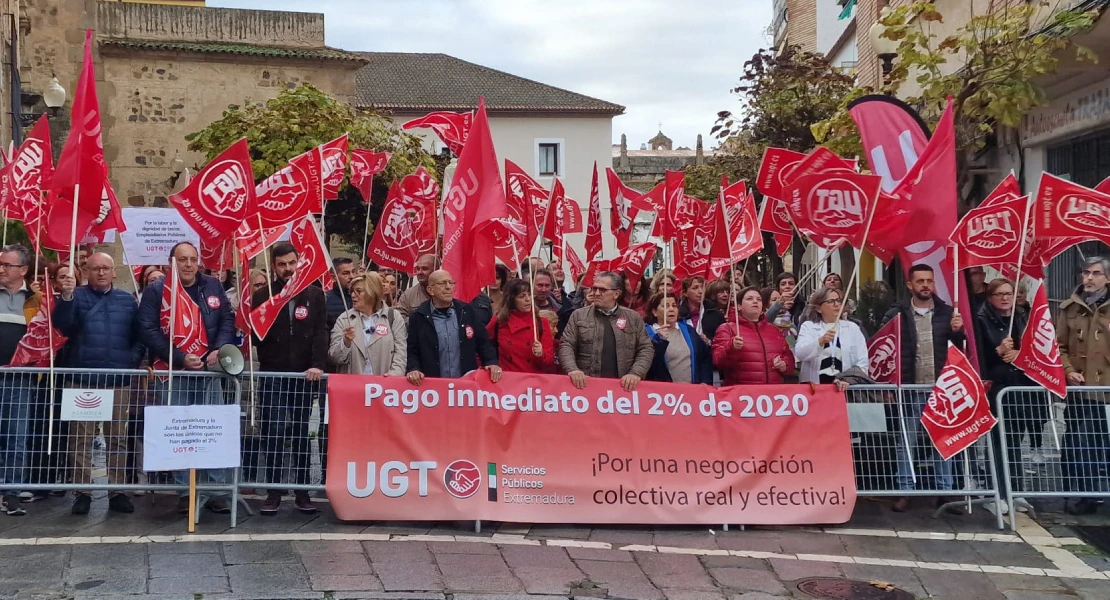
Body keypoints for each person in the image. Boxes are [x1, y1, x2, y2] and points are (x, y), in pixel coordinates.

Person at [138, 242, 236, 515]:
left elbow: (227, 319)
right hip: (174, 371)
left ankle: (216, 490)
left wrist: (218, 348)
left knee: (212, 428)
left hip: (208, 369)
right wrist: (180, 358)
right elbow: (148, 329)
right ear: (172, 262)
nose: (189, 264)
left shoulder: (212, 286)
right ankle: (185, 491)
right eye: (183, 260)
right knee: (179, 431)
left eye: (193, 259)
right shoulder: (158, 290)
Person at [53, 251, 143, 516]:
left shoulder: (127, 301)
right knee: (81, 439)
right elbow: (63, 327)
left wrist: (131, 360)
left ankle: (118, 491)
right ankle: (82, 492)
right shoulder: (75, 297)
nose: (101, 273)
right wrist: (67, 298)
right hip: (83, 378)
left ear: (114, 271)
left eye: (106, 268)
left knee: (117, 438)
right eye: (95, 269)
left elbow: (139, 336)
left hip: (118, 378)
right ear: (86, 271)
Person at [881, 263, 966, 514]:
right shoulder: (897, 314)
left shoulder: (947, 313)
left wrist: (958, 332)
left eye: (929, 281)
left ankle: (944, 492)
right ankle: (905, 491)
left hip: (940, 388)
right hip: (909, 387)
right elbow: (885, 344)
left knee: (944, 440)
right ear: (910, 285)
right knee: (906, 441)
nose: (926, 285)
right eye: (920, 281)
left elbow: (961, 350)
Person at [250, 242, 329, 515]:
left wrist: (318, 364)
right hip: (273, 372)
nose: (287, 269)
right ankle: (273, 491)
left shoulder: (315, 295)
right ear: (274, 266)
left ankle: (302, 491)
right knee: (272, 430)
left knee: (300, 432)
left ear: (299, 263)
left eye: (291, 263)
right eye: (282, 264)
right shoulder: (263, 296)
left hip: (304, 376)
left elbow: (321, 332)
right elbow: (254, 335)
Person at [974, 277, 1039, 514]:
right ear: (990, 298)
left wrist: (1020, 355)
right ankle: (997, 490)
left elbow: (1034, 349)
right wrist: (998, 351)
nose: (1004, 298)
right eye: (999, 294)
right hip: (997, 387)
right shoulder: (981, 321)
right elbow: (978, 356)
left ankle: (1015, 489)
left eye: (1008, 294)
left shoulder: (1022, 317)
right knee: (997, 442)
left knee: (1014, 442)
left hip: (1019, 387)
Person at [1057, 256, 1110, 515]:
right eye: (1086, 272)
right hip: (1078, 388)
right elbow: (1060, 347)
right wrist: (1067, 370)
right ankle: (1075, 493)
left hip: (1105, 388)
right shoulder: (1070, 308)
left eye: (1096, 273)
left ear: (1107, 279)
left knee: (1094, 441)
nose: (1088, 278)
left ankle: (1093, 494)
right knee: (1074, 440)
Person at [560, 271, 653, 391]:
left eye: (602, 290)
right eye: (594, 289)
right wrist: (573, 370)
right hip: (586, 387)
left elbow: (645, 348)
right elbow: (566, 345)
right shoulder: (578, 316)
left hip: (623, 389)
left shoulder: (633, 318)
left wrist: (636, 373)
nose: (596, 293)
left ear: (616, 294)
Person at [406, 270, 501, 385]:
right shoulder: (419, 316)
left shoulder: (467, 311)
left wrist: (491, 362)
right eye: (442, 283)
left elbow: (483, 342)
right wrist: (413, 368)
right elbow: (412, 350)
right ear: (430, 290)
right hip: (432, 388)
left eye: (451, 283)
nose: (448, 287)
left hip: (465, 386)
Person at [0, 245, 40, 516]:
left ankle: (11, 492)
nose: (1, 269)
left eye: (6, 265)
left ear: (23, 270)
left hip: (20, 377)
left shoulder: (36, 299)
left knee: (16, 435)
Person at [711, 287, 795, 386]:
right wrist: (731, 347)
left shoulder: (774, 330)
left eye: (758, 299)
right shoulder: (727, 329)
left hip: (772, 395)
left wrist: (785, 365)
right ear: (739, 306)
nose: (755, 301)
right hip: (742, 395)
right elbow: (718, 361)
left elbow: (788, 358)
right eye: (749, 299)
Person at [329, 272, 407, 376]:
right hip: (352, 388)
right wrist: (345, 342)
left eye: (358, 291)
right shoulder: (344, 319)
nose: (353, 295)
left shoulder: (393, 317)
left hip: (383, 387)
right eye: (352, 291)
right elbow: (334, 358)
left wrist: (393, 376)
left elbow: (400, 354)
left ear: (372, 292)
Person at [794, 288, 868, 391]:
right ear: (819, 308)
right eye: (831, 301)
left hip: (844, 390)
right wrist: (820, 341)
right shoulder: (809, 327)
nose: (837, 304)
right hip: (815, 390)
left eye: (838, 300)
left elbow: (862, 361)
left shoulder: (852, 328)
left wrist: (848, 380)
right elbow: (800, 353)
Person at [487, 278, 555, 374]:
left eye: (529, 295)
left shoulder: (541, 323)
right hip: (507, 380)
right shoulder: (499, 321)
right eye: (522, 296)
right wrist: (491, 365)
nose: (528, 299)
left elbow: (549, 361)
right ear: (511, 299)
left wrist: (541, 354)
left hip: (532, 382)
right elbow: (483, 347)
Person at [644, 292, 712, 384]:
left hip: (692, 391)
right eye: (666, 306)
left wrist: (705, 381)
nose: (671, 309)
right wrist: (659, 341)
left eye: (674, 306)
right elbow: (649, 364)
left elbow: (704, 357)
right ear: (654, 312)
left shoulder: (689, 330)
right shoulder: (647, 333)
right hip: (664, 393)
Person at [326, 257, 356, 331]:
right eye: (346, 273)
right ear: (333, 277)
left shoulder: (362, 297)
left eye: (353, 272)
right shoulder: (325, 300)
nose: (352, 276)